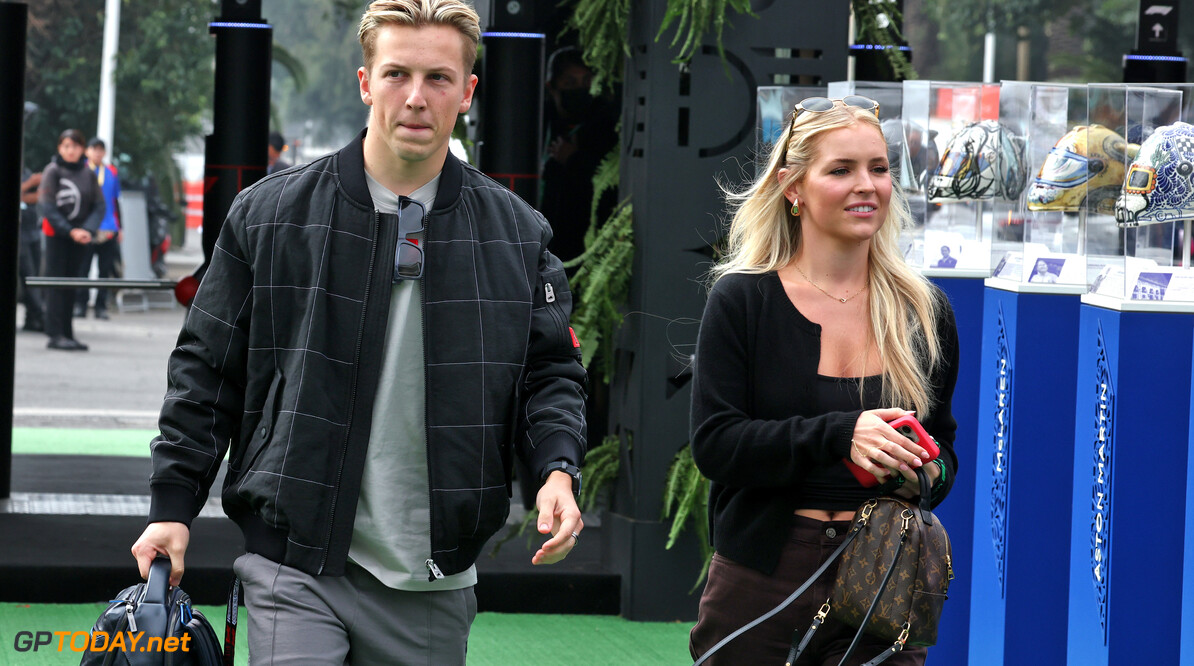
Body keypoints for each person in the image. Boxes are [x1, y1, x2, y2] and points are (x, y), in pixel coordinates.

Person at [130, 2, 587, 664]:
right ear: (366, 82)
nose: (416, 98)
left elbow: (550, 374)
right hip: (295, 564)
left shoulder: (518, 233)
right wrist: (173, 505)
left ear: (468, 91)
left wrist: (556, 470)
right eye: (397, 73)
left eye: (438, 78)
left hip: (433, 578)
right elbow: (206, 370)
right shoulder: (268, 216)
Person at [687, 96, 960, 665]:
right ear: (793, 187)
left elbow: (945, 454)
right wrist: (841, 435)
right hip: (763, 572)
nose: (867, 185)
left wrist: (922, 470)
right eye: (841, 170)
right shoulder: (743, 300)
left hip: (883, 571)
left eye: (879, 168)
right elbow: (716, 446)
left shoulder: (924, 310)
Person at [538, 46, 618, 265]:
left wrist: (574, 159)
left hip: (580, 244)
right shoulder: (537, 122)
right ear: (552, 87)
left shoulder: (606, 126)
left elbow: (609, 183)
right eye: (570, 83)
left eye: (586, 82)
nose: (580, 90)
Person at [38, 128, 104, 351]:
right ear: (60, 148)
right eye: (66, 146)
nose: (71, 150)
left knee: (72, 284)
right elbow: (47, 206)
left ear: (81, 149)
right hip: (57, 237)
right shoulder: (53, 171)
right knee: (57, 285)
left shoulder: (88, 173)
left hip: (81, 238)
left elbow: (99, 205)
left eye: (75, 146)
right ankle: (55, 334)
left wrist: (86, 229)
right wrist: (70, 231)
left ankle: (68, 333)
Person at [75, 137, 122, 320]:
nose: (97, 153)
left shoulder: (111, 171)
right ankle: (80, 305)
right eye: (94, 149)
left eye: (101, 150)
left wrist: (121, 227)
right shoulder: (82, 170)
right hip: (86, 227)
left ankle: (101, 307)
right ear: (87, 151)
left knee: (105, 269)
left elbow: (116, 201)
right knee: (83, 268)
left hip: (108, 227)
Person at [19, 169, 46, 332]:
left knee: (35, 274)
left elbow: (42, 195)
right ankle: (41, 315)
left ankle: (32, 318)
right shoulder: (30, 179)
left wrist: (29, 197)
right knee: (28, 275)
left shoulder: (28, 173)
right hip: (20, 234)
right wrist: (29, 185)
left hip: (33, 231)